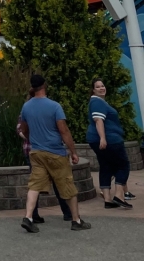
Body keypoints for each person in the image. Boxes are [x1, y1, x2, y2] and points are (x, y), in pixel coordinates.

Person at [19, 73, 91, 233]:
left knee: (35, 185)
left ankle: (28, 217)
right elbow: (64, 131)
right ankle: (76, 220)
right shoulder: (54, 106)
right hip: (55, 152)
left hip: (36, 153)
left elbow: (24, 129)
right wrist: (73, 152)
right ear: (44, 85)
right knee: (67, 186)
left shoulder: (26, 106)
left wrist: (34, 139)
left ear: (32, 87)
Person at [17, 91, 72, 222]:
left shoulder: (26, 108)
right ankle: (68, 212)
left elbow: (20, 129)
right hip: (50, 150)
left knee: (35, 184)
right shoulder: (50, 107)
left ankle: (31, 215)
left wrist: (31, 138)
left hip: (33, 151)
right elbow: (62, 129)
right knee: (59, 181)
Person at [87, 78, 132, 208]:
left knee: (106, 166)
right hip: (110, 139)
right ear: (93, 90)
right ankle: (119, 195)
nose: (102, 88)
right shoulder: (97, 102)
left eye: (103, 85)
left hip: (97, 139)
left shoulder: (96, 101)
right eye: (98, 87)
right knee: (123, 165)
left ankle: (108, 200)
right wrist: (103, 138)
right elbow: (98, 120)